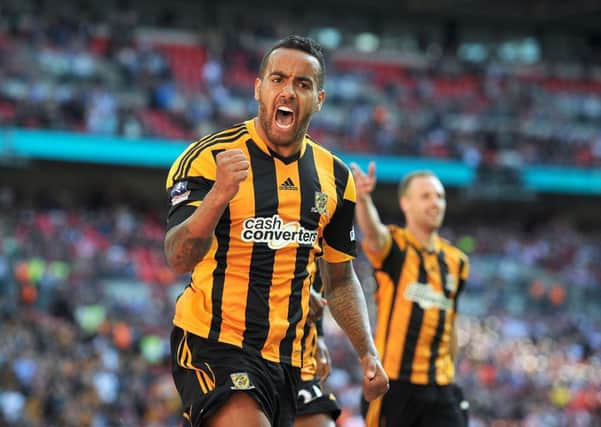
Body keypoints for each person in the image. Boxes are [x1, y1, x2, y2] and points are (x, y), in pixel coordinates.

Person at [163, 35, 389, 427]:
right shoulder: (206, 157)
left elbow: (338, 279)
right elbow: (178, 256)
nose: (288, 91)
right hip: (216, 344)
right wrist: (218, 197)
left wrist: (367, 353)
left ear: (319, 99)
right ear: (259, 88)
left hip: (293, 358)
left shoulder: (335, 178)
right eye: (278, 79)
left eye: (302, 84)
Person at [352, 162, 469, 427]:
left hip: (440, 387)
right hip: (395, 385)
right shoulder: (396, 246)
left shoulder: (456, 262)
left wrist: (451, 372)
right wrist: (363, 201)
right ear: (405, 203)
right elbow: (373, 234)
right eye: (426, 196)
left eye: (440, 196)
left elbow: (451, 322)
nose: (435, 203)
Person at [294, 265, 340, 427]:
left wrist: (319, 336)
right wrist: (300, 288)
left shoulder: (320, 243)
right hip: (240, 351)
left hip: (299, 355)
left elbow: (319, 281)